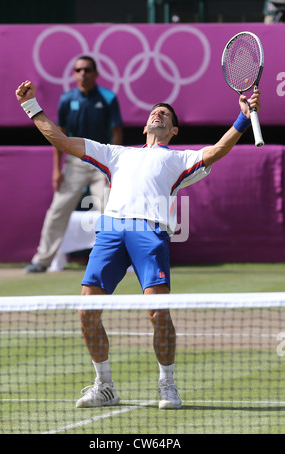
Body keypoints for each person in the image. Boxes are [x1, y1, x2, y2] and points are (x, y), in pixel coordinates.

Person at [15, 79, 261, 409]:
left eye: (166, 115)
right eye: (155, 112)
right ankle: (104, 385)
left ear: (173, 130)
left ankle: (167, 383)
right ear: (146, 125)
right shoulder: (116, 154)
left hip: (149, 233)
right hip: (111, 231)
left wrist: (243, 119)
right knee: (86, 311)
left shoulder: (179, 159)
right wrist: (31, 105)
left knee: (158, 312)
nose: (159, 114)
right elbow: (60, 140)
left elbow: (217, 150)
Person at [25, 56, 123, 273]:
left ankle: (120, 258)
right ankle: (41, 260)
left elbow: (117, 132)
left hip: (102, 163)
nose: (83, 74)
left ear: (96, 74)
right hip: (74, 163)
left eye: (87, 70)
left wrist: (113, 168)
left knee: (111, 210)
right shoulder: (67, 99)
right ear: (74, 74)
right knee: (57, 210)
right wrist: (56, 171)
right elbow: (59, 135)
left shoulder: (108, 98)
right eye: (78, 70)